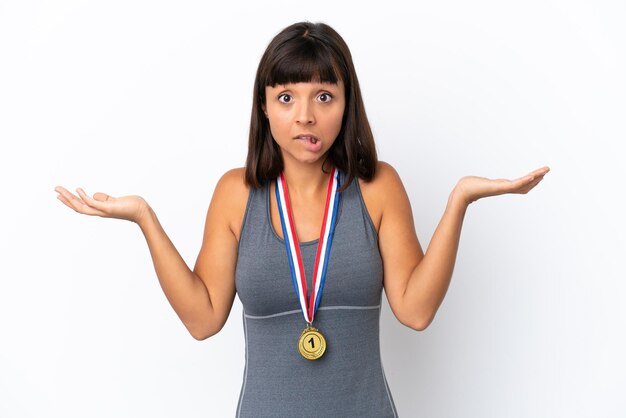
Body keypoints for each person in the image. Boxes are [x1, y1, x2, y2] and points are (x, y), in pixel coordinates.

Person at [54, 21, 549, 417]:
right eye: (287, 97)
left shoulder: (377, 186)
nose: (305, 117)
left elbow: (415, 312)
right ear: (265, 108)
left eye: (324, 97)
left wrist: (459, 200)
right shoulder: (235, 193)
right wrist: (145, 217)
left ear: (346, 103)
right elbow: (203, 320)